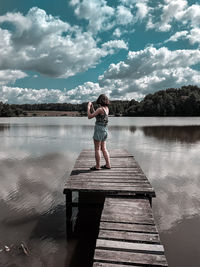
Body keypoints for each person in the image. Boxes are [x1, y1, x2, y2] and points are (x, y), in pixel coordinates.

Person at [87, 94, 111, 170]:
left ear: (100, 100)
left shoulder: (100, 109)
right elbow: (97, 116)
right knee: (104, 148)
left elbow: (89, 116)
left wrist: (88, 107)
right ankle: (108, 164)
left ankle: (97, 166)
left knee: (97, 148)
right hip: (105, 129)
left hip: (99, 129)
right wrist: (92, 108)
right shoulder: (106, 109)